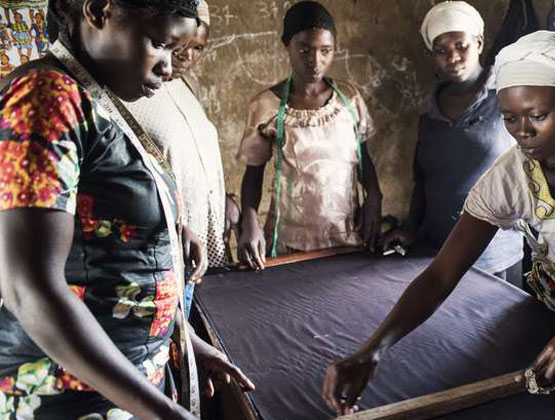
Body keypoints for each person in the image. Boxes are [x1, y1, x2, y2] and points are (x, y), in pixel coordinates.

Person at [322, 30, 555, 415]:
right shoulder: (511, 178)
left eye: (538, 115)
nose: (522, 131)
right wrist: (372, 351)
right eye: (509, 117)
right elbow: (440, 275)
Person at [0, 0, 253, 418]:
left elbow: (116, 258)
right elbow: (31, 288)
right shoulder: (46, 99)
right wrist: (163, 412)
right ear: (99, 11)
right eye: (160, 44)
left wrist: (183, 336)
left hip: (126, 380)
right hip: (74, 395)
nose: (169, 67)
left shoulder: (100, 103)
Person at [382, 1, 524, 283]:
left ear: (480, 43)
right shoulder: (428, 110)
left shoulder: (507, 98)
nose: (453, 57)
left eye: (461, 46)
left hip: (493, 254)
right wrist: (411, 228)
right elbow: (423, 180)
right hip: (436, 251)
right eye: (441, 51)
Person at [236, 0, 381, 269]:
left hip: (346, 237)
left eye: (325, 51)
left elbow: (363, 158)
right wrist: (250, 220)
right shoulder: (267, 106)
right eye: (305, 50)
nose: (316, 61)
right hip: (290, 241)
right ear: (287, 46)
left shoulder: (348, 99)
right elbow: (253, 175)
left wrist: (374, 196)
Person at [124, 0, 234, 316]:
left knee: (194, 337)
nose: (184, 57)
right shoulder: (132, 93)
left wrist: (227, 198)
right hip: (163, 255)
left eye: (196, 48)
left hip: (196, 250)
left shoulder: (182, 88)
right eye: (176, 45)